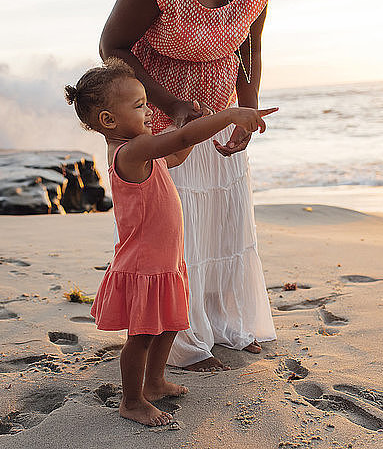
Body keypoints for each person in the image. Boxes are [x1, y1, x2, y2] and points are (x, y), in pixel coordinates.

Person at [99, 0, 295, 370]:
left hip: (221, 107)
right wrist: (169, 104)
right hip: (165, 116)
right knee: (176, 231)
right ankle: (182, 341)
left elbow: (250, 40)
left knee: (225, 225)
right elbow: (112, 44)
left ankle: (225, 323)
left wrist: (248, 111)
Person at [64, 58, 278, 426]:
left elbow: (177, 152)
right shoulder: (129, 153)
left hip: (165, 259)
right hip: (144, 263)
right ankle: (131, 400)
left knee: (169, 325)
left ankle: (156, 381)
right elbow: (176, 140)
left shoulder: (143, 149)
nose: (148, 111)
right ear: (108, 121)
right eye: (139, 105)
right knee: (142, 336)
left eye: (146, 102)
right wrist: (230, 114)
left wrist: (193, 126)